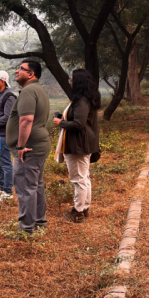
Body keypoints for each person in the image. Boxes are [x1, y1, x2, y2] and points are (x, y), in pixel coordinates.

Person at [6, 60, 51, 233]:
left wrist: (20, 146)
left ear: (31, 74)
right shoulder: (38, 89)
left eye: (21, 69)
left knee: (25, 188)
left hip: (29, 148)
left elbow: (26, 120)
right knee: (36, 185)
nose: (17, 71)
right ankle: (39, 222)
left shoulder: (28, 91)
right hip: (39, 145)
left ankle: (26, 228)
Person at [53, 69, 100, 223]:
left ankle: (78, 211)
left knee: (79, 179)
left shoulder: (82, 101)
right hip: (81, 144)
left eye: (72, 79)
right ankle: (84, 208)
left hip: (78, 145)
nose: (70, 81)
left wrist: (61, 123)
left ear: (79, 81)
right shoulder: (84, 99)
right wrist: (64, 119)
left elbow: (79, 124)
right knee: (84, 178)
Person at [0, 71, 16, 202]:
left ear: (3, 81)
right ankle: (1, 187)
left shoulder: (9, 97)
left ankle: (8, 191)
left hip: (4, 135)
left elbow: (8, 117)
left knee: (5, 163)